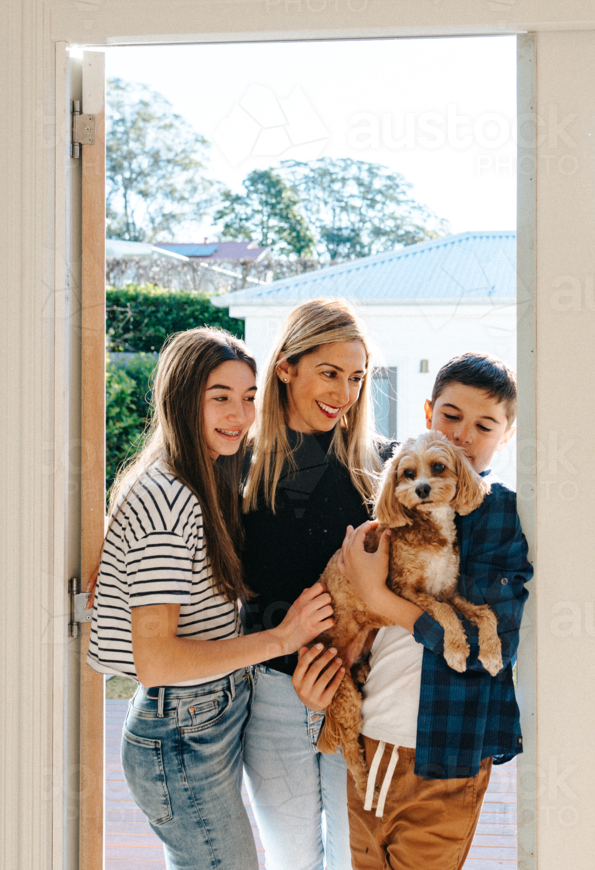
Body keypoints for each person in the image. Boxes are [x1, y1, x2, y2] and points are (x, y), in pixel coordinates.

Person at [87, 327, 335, 870]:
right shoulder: (169, 501)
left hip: (203, 720)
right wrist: (282, 637)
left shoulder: (204, 475)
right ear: (182, 400)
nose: (240, 416)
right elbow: (157, 661)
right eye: (219, 397)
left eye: (248, 398)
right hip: (179, 737)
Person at [295, 351, 533, 870]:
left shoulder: (502, 521)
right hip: (374, 733)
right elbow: (346, 608)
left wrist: (384, 600)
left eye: (485, 425)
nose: (464, 436)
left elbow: (484, 651)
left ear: (507, 433)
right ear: (429, 414)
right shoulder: (396, 493)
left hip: (452, 753)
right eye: (451, 417)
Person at [240, 298, 387, 870]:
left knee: (353, 857)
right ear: (286, 368)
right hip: (277, 695)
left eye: (356, 377)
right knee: (292, 860)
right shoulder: (242, 469)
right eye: (330, 373)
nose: (344, 393)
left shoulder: (379, 467)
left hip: (359, 691)